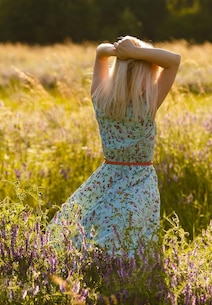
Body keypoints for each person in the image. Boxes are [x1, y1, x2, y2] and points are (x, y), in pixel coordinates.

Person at [49, 36, 181, 256]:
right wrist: (136, 52)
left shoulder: (101, 99)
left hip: (107, 178)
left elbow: (101, 51)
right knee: (134, 245)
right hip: (140, 184)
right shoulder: (147, 104)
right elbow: (174, 60)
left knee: (91, 235)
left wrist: (120, 51)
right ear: (145, 74)